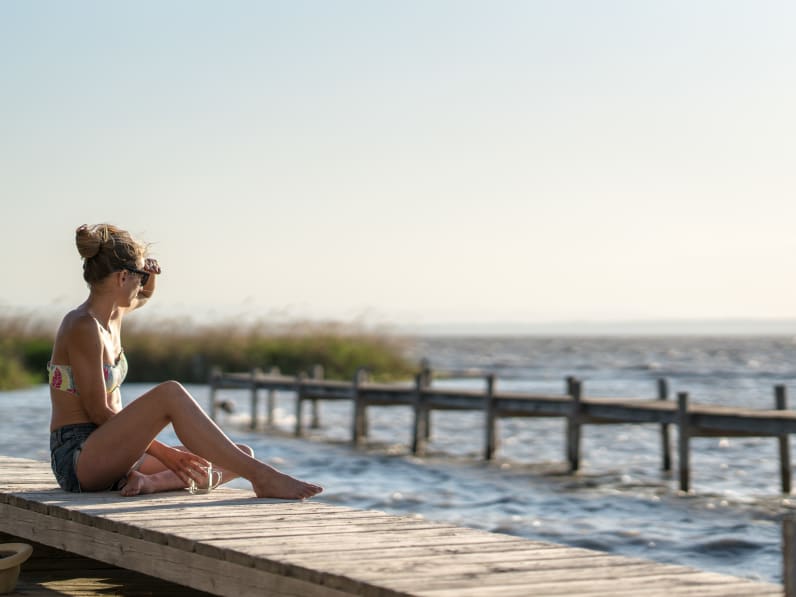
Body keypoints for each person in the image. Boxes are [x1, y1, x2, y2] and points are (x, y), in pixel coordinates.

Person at [47, 223, 323, 499]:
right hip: (80, 459)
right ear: (122, 277)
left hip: (118, 456)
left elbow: (143, 296)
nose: (141, 284)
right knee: (170, 394)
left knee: (238, 455)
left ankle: (149, 483)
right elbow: (98, 412)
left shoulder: (114, 316)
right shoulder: (82, 325)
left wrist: (149, 276)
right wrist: (167, 454)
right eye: (138, 277)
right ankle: (264, 477)